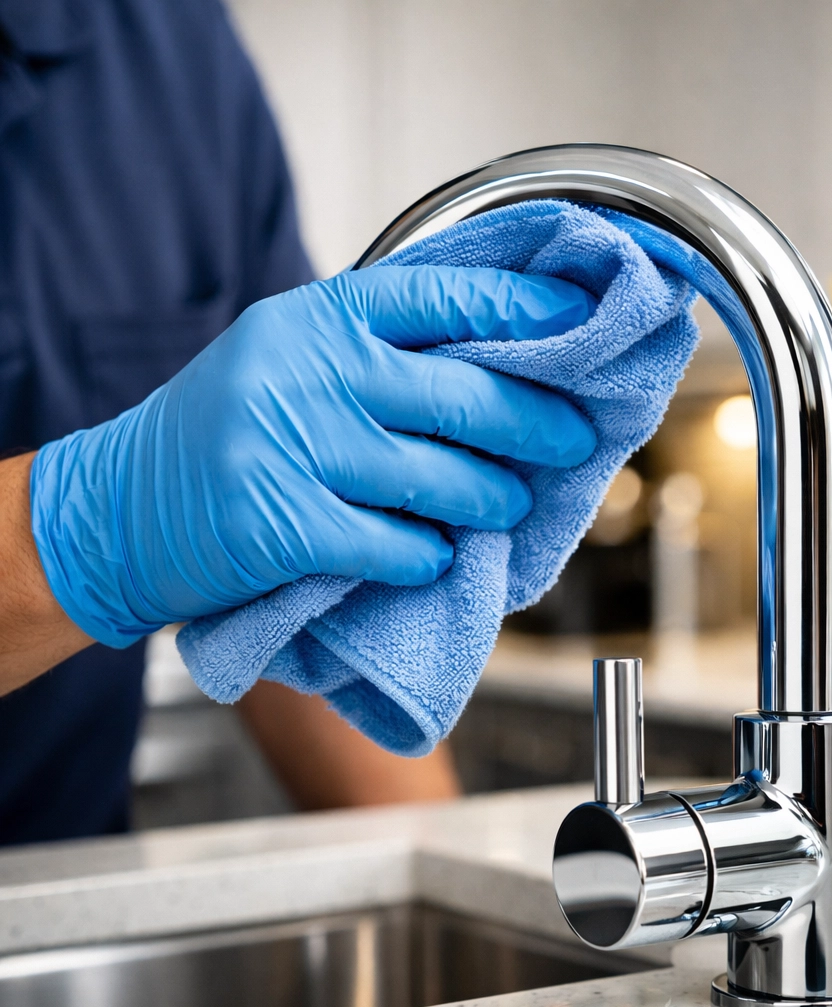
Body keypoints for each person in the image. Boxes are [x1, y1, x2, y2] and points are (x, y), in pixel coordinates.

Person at [0, 0, 596, 845]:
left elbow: (300, 539)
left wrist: (441, 875)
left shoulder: (168, 45)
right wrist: (88, 527)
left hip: (68, 890)